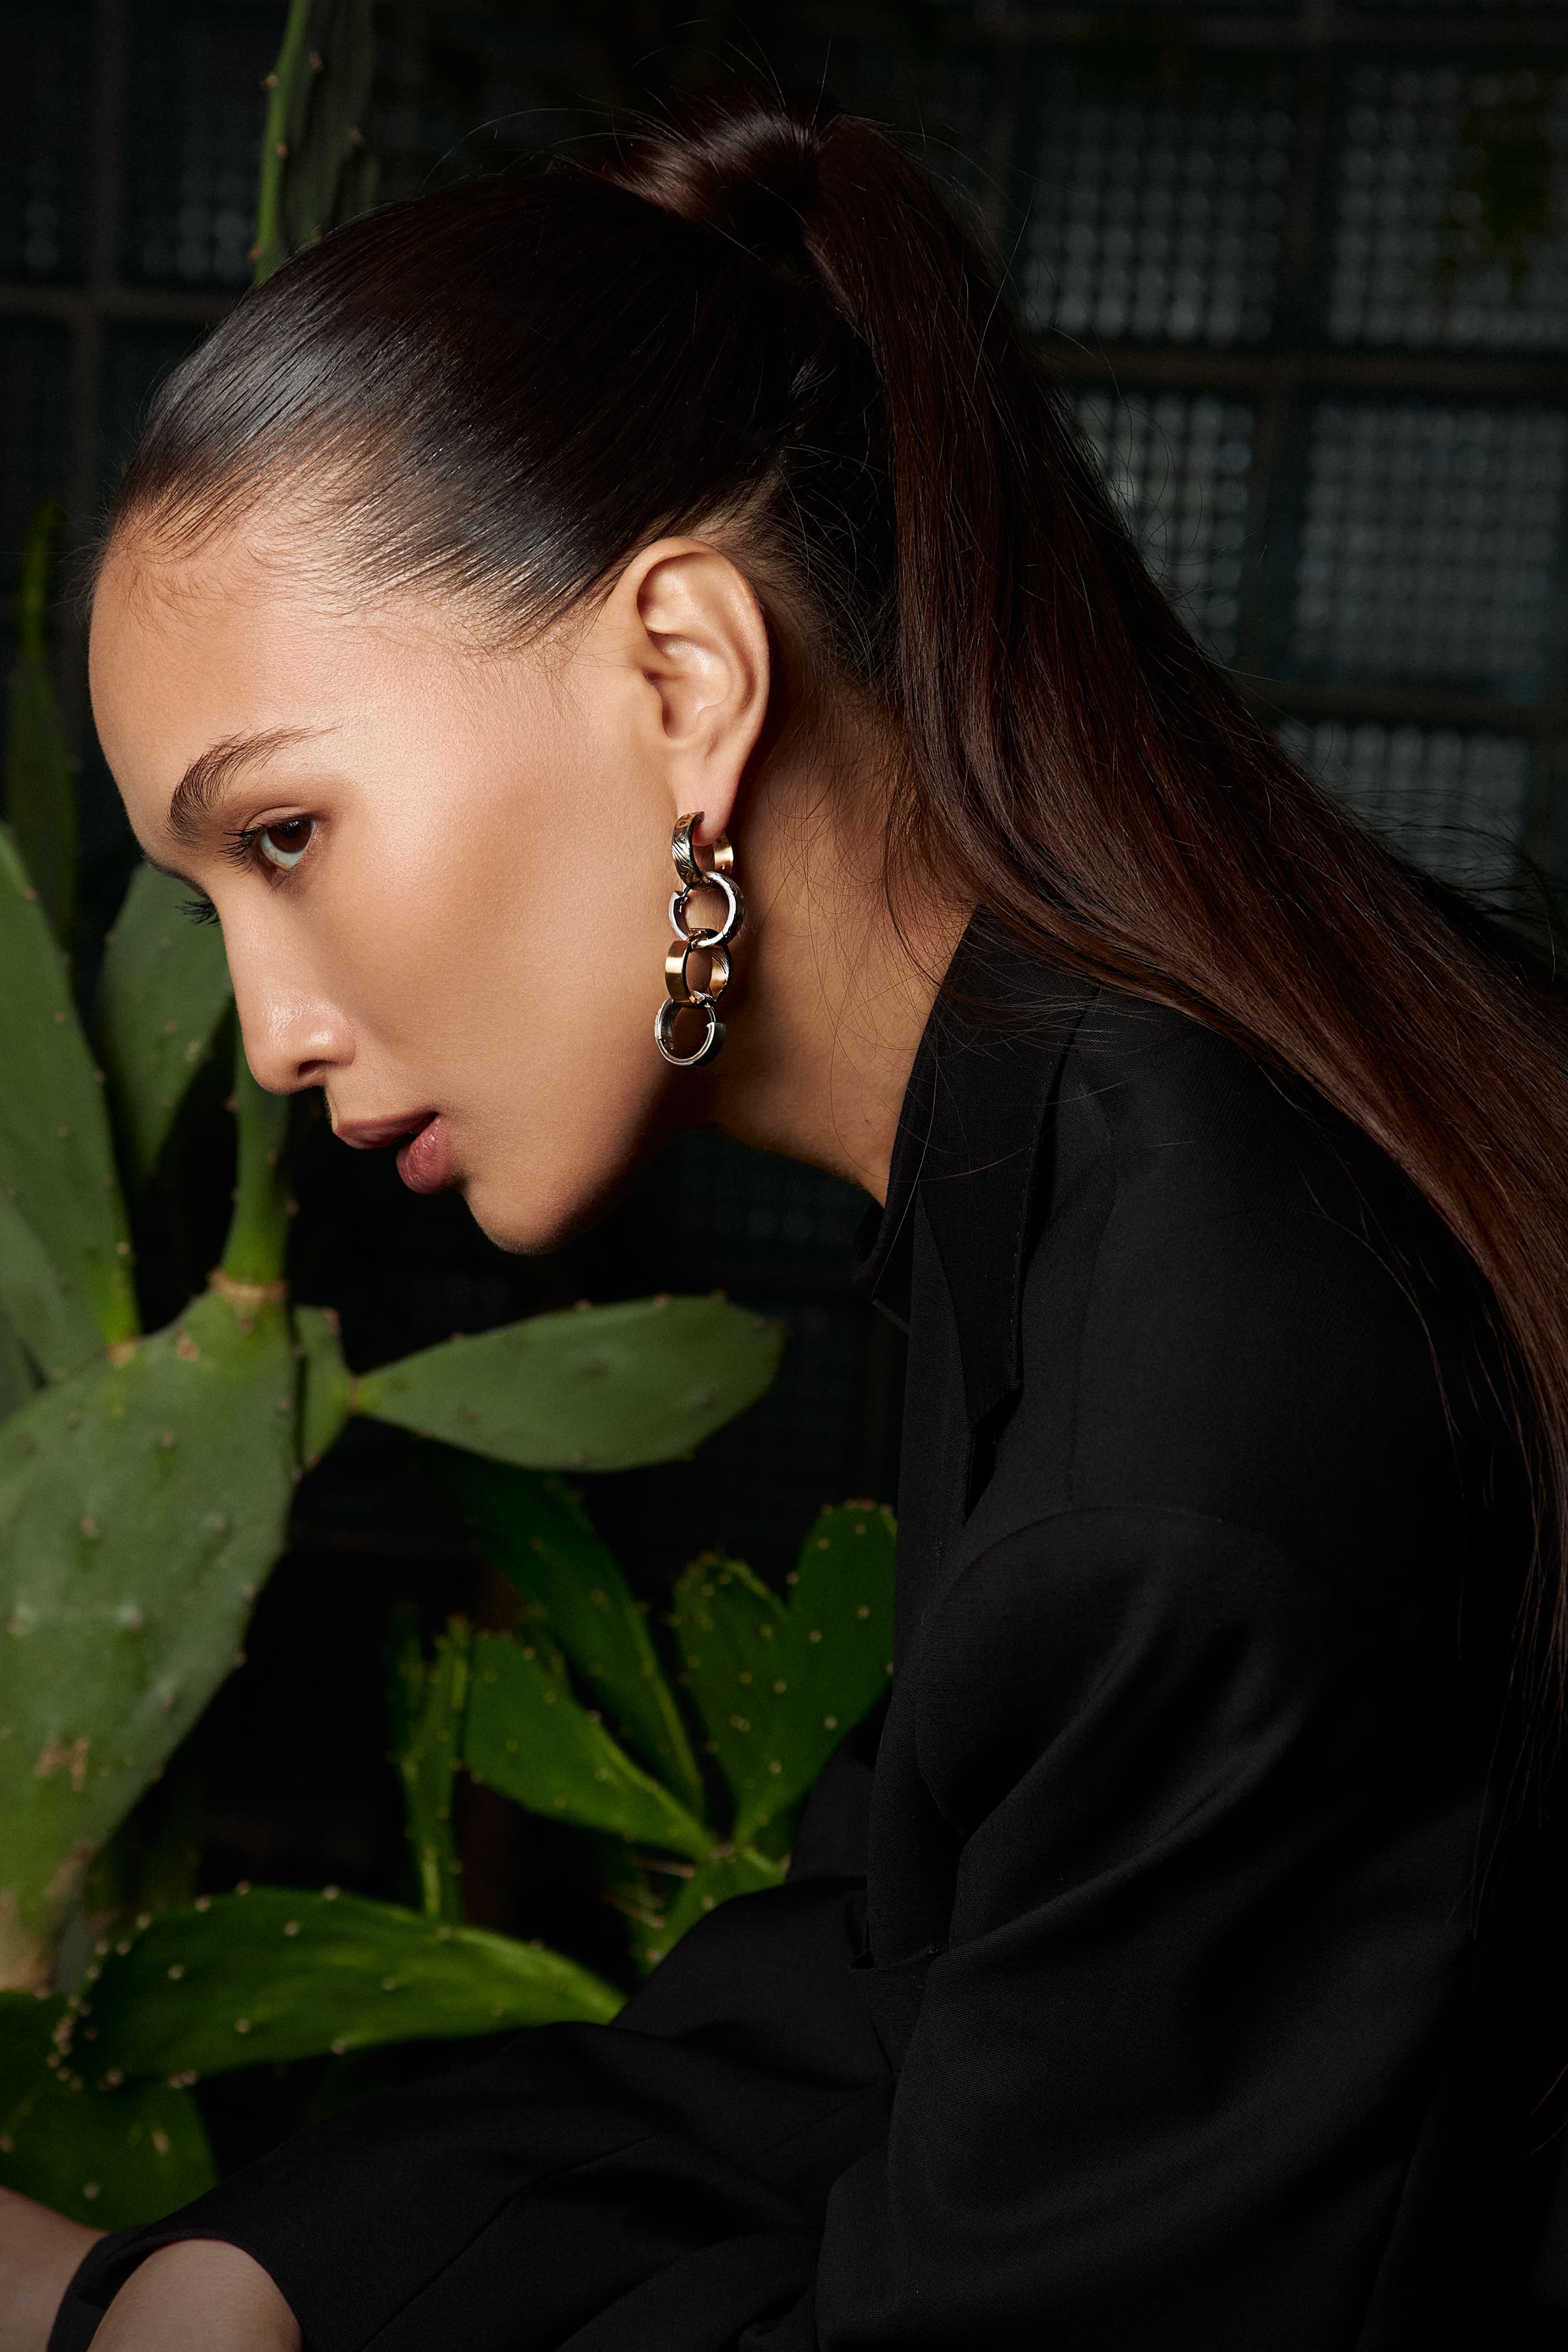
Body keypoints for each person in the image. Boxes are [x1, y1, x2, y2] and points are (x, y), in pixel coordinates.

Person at [8, 82, 1568, 2352]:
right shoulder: (1108, 1167)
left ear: (685, 678)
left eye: (285, 838)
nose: (267, 1033)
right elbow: (883, 1968)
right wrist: (222, 2295)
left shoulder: (1187, 1426)